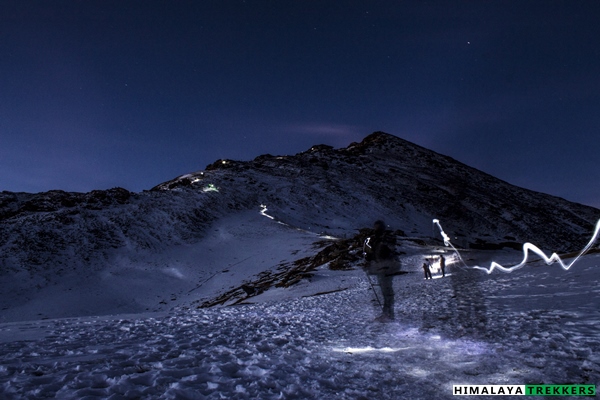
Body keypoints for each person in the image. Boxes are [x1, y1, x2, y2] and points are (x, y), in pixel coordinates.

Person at [363, 220, 400, 322]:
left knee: (387, 292)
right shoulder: (375, 238)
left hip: (387, 267)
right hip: (380, 267)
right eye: (376, 227)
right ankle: (387, 314)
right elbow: (371, 253)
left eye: (378, 227)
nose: (376, 229)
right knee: (385, 292)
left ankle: (388, 315)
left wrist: (383, 241)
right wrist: (368, 261)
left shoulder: (387, 237)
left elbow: (391, 247)